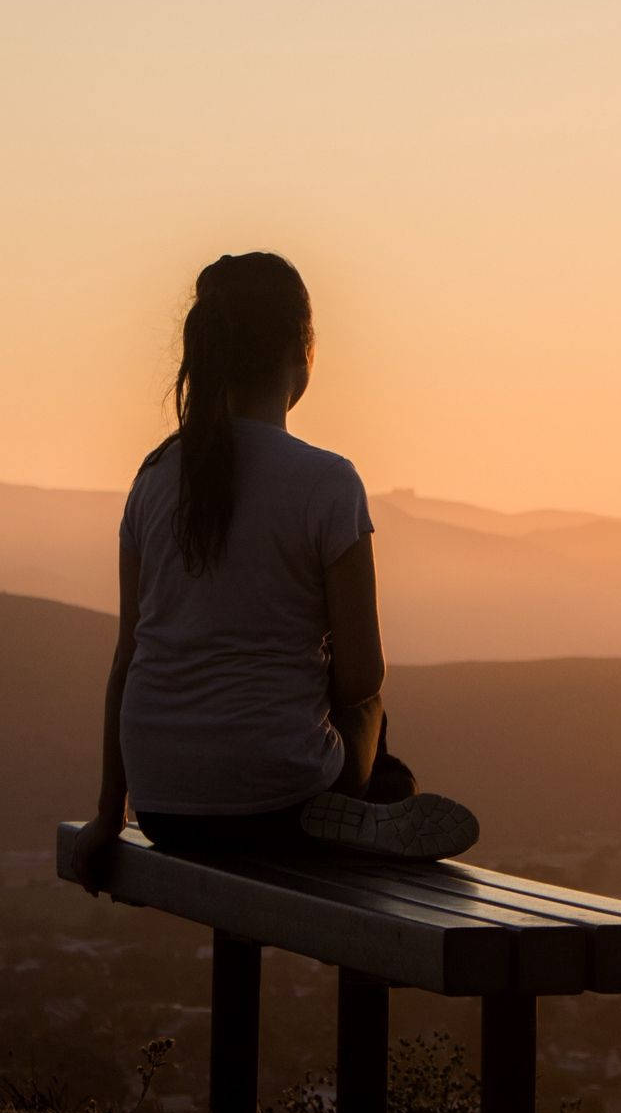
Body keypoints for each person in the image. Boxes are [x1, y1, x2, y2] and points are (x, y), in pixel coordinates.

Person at [71, 250, 479, 896]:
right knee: (374, 719)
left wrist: (106, 815)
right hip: (277, 801)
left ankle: (358, 804)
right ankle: (367, 804)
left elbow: (129, 658)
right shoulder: (326, 481)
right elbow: (361, 676)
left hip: (164, 808)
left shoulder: (152, 478)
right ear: (303, 349)